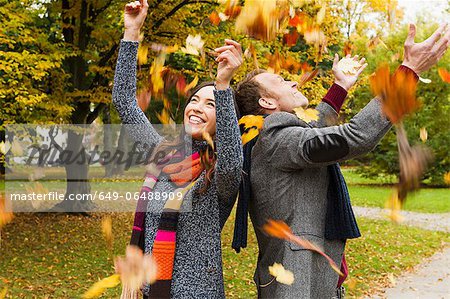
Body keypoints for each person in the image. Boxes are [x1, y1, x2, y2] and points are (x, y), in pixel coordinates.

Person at [233, 23, 449, 298]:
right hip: (296, 289)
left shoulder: (276, 136)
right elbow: (356, 136)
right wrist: (408, 72)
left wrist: (340, 87)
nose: (292, 81)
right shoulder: (275, 139)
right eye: (280, 81)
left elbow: (314, 133)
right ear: (267, 103)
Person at [112, 1, 243, 298]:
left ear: (223, 118)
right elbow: (124, 103)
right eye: (195, 100)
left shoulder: (219, 173)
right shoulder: (164, 154)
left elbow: (234, 162)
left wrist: (223, 86)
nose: (197, 108)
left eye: (211, 105)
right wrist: (132, 31)